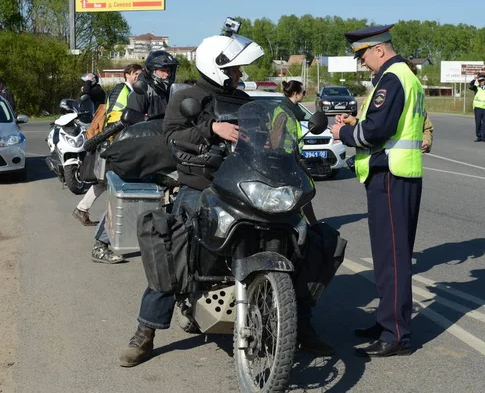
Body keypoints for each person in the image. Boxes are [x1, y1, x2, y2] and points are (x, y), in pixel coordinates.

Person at [119, 31, 334, 369]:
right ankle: (145, 332)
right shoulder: (186, 98)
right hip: (201, 184)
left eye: (239, 70)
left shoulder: (247, 101)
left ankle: (299, 322)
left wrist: (280, 139)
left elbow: (265, 140)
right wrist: (212, 129)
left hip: (244, 184)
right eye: (234, 69)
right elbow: (171, 137)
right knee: (174, 243)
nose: (239, 74)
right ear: (217, 67)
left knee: (304, 235)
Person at [330, 24, 425, 358]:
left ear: (379, 49)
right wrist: (355, 126)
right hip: (392, 174)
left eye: (363, 56)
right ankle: (386, 320)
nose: (363, 63)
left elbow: (376, 132)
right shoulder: (398, 76)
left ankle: (396, 334)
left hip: (391, 175)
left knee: (393, 258)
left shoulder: (393, 78)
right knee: (386, 256)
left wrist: (343, 132)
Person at [90, 53, 179, 264]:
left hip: (166, 150)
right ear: (150, 70)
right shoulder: (142, 90)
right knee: (131, 195)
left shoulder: (171, 92)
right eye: (162, 70)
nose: (166, 75)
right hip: (143, 151)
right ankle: (101, 245)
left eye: (169, 70)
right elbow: (132, 121)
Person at [72, 64, 143, 227]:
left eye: (140, 74)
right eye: (136, 74)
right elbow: (115, 116)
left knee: (105, 179)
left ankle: (82, 209)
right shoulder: (122, 89)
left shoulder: (131, 91)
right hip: (117, 140)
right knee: (115, 179)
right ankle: (119, 220)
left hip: (119, 139)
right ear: (128, 74)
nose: (139, 77)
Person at [469, 74, 485, 142]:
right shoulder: (476, 88)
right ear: (478, 81)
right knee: (478, 123)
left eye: (482, 80)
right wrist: (474, 79)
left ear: (484, 81)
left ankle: (484, 137)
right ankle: (479, 136)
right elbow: (470, 86)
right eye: (480, 81)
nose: (481, 82)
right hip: (478, 108)